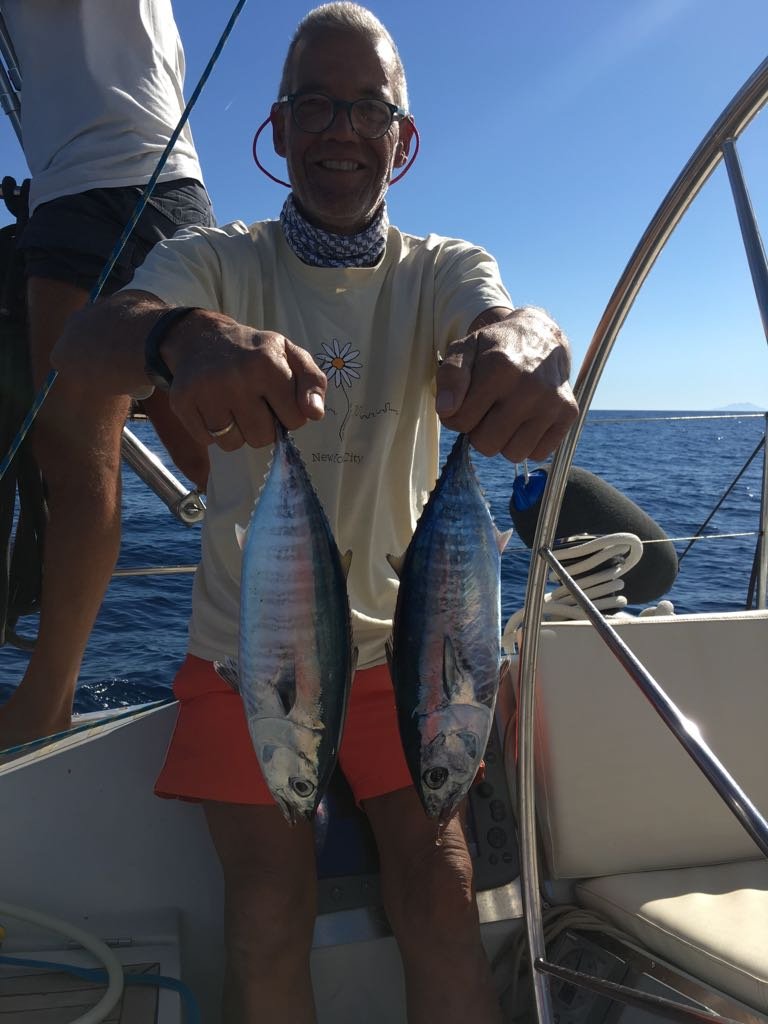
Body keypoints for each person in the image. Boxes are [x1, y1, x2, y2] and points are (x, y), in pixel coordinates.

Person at [52, 4, 578, 1020]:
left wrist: (525, 344)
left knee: (441, 887)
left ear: (403, 139)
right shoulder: (220, 258)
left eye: (368, 108)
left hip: (408, 655)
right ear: (279, 129)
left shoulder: (443, 269)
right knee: (264, 906)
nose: (343, 128)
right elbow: (87, 344)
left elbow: (516, 318)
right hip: (250, 655)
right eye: (315, 105)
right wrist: (185, 341)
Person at [0, 0, 215, 747]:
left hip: (105, 188)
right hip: (124, 189)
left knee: (84, 457)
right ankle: (315, 647)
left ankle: (44, 702)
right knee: (210, 454)